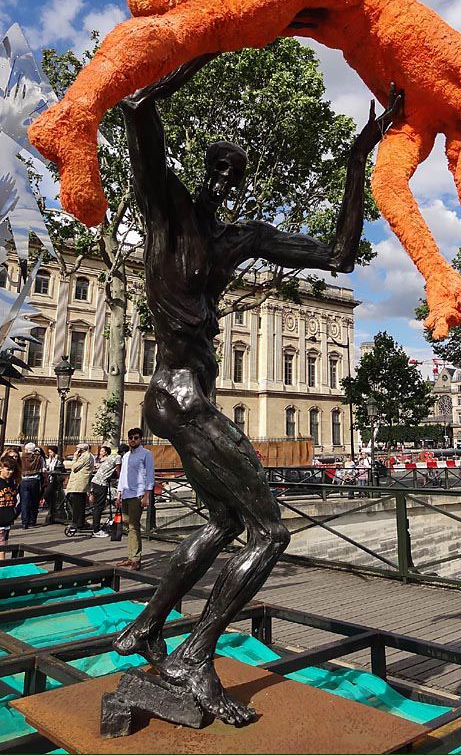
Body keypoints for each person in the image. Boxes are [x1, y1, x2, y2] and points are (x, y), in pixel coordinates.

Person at [109, 62, 401, 727]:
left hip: (192, 394)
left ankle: (146, 628)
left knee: (221, 523)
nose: (220, 181)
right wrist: (214, 42)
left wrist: (359, 156)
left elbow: (337, 254)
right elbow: (136, 110)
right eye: (213, 167)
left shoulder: (238, 240)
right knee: (270, 531)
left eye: (230, 175)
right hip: (177, 395)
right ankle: (193, 653)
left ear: (237, 186)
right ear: (199, 170)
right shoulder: (167, 209)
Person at [116, 428, 154, 569]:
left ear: (141, 439)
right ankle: (131, 556)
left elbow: (150, 474)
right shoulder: (126, 456)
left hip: (137, 494)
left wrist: (146, 495)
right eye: (130, 437)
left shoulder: (146, 454)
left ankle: (136, 558)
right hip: (126, 493)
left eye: (136, 437)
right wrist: (119, 494)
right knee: (127, 524)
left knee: (133, 525)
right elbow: (123, 476)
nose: (133, 440)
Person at [90, 445, 118, 538]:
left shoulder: (110, 458)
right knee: (99, 506)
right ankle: (96, 530)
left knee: (97, 506)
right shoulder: (118, 458)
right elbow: (119, 471)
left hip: (96, 482)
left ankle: (95, 528)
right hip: (101, 483)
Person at [65, 443, 94, 531]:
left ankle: (78, 523)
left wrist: (75, 457)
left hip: (79, 484)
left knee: (78, 505)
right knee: (76, 504)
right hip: (77, 484)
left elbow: (74, 467)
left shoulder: (85, 456)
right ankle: (78, 522)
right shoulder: (84, 456)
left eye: (77, 449)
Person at [20, 442, 44, 529]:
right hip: (35, 480)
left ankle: (24, 522)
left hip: (24, 479)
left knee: (24, 502)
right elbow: (43, 469)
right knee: (34, 501)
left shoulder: (22, 457)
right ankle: (32, 521)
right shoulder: (39, 457)